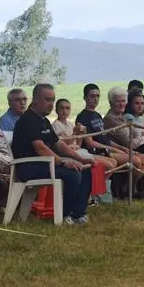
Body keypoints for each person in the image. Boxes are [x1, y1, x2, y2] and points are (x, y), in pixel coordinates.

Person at [11, 83, 95, 224]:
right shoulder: (27, 120)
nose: (51, 104)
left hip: (45, 164)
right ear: (35, 100)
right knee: (73, 173)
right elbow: (40, 148)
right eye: (47, 100)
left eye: (53, 100)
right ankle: (65, 214)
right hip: (28, 167)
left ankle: (79, 214)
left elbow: (59, 144)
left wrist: (81, 159)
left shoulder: (43, 121)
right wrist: (63, 162)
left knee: (85, 169)